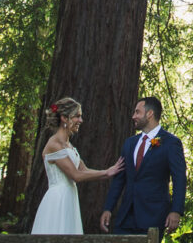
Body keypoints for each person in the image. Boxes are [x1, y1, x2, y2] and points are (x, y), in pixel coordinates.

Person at [29, 96, 124, 235]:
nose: (81, 120)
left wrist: (108, 171)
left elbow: (83, 170)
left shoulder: (68, 145)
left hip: (70, 196)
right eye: (77, 116)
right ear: (64, 118)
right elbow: (76, 175)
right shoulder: (55, 144)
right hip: (58, 199)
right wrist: (106, 172)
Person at [100, 96, 186, 236]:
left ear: (150, 113)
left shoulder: (170, 143)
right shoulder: (129, 143)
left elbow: (179, 179)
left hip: (153, 216)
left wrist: (175, 211)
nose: (133, 116)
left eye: (137, 112)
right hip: (125, 217)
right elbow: (119, 179)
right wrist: (108, 208)